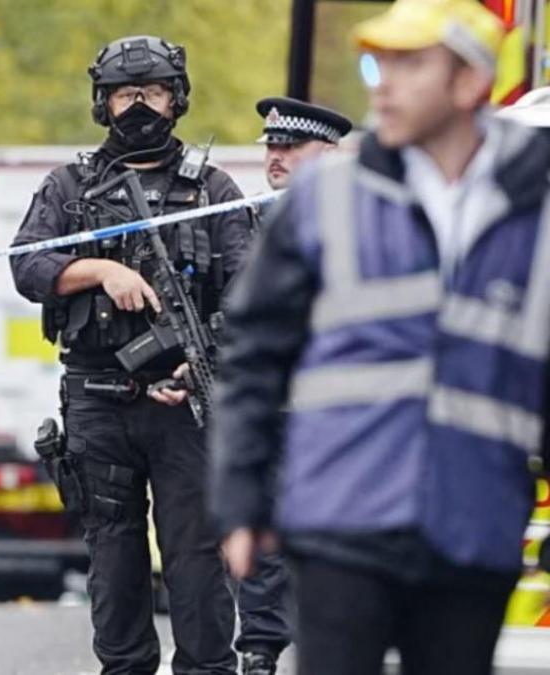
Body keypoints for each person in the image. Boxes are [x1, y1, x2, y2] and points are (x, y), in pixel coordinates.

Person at [211, 1, 550, 674]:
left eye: (410, 64)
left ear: (471, 83)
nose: (382, 84)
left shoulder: (534, 206)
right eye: (378, 63)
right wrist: (241, 496)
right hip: (341, 520)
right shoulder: (326, 198)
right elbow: (252, 355)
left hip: (474, 525)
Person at [10, 35, 252, 675]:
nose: (140, 105)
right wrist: (93, 269)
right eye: (126, 93)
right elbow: (26, 265)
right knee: (113, 561)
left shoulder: (214, 189)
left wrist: (201, 364)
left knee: (196, 562)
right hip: (98, 402)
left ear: (177, 99)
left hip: (186, 408)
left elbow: (252, 298)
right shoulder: (69, 188)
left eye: (153, 92)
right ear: (104, 102)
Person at [231, 95, 353, 675]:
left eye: (289, 147)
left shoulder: (360, 222)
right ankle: (259, 648)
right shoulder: (248, 222)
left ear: (328, 155)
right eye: (271, 148)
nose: (275, 158)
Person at [256, 96, 352, 190]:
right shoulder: (254, 204)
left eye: (290, 146)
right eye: (270, 146)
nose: (274, 157)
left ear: (329, 153)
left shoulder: (350, 204)